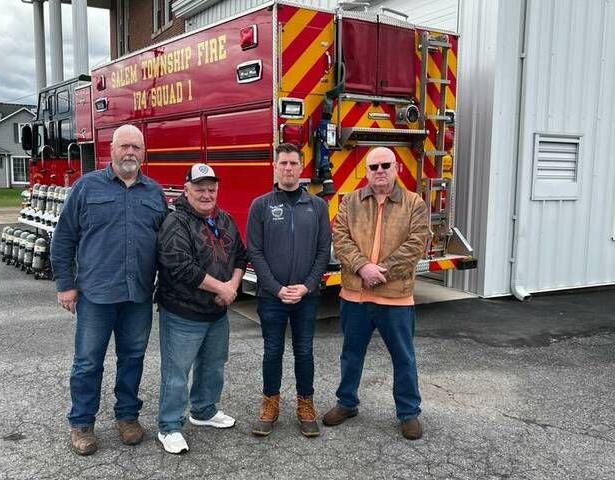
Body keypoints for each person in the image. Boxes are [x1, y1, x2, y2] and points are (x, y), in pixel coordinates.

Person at [50, 124, 167, 455]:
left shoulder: (154, 193)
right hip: (95, 294)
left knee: (132, 358)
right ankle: (81, 423)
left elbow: (166, 244)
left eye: (136, 147)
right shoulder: (86, 188)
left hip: (138, 295)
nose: (130, 152)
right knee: (88, 362)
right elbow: (63, 239)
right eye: (124, 146)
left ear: (144, 153)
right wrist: (65, 285)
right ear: (111, 150)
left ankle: (127, 417)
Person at [322, 147, 430, 440]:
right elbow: (340, 239)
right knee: (351, 355)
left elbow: (416, 244)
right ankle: (347, 403)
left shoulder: (414, 203)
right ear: (366, 172)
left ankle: (408, 413)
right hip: (354, 296)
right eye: (373, 167)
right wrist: (361, 268)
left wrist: (378, 271)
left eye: (385, 165)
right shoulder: (350, 202)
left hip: (395, 298)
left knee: (404, 358)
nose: (379, 171)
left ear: (397, 168)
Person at [155, 163, 247, 454]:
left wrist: (231, 285)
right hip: (183, 311)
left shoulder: (226, 219)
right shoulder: (176, 222)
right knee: (176, 371)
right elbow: (181, 267)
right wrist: (223, 289)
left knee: (213, 365)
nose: (206, 194)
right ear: (186, 190)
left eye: (211, 189)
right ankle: (169, 426)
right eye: (199, 189)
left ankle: (204, 411)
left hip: (217, 312)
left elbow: (240, 257)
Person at [246, 143, 331, 437]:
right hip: (272, 297)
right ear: (275, 166)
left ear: (302, 167)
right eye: (283, 163)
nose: (288, 169)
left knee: (304, 351)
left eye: (293, 163)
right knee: (272, 351)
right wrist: (276, 288)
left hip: (306, 298)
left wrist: (307, 287)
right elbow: (254, 251)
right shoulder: (261, 205)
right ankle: (270, 404)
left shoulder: (317, 207)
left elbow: (323, 252)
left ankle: (305, 404)